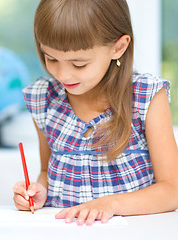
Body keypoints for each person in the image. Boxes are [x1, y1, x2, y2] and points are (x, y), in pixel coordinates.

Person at [13, 0, 178, 226]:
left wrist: (109, 204)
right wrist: (39, 191)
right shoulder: (44, 99)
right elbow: (46, 170)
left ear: (118, 47)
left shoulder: (146, 97)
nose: (63, 75)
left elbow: (171, 191)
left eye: (79, 64)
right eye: (51, 58)